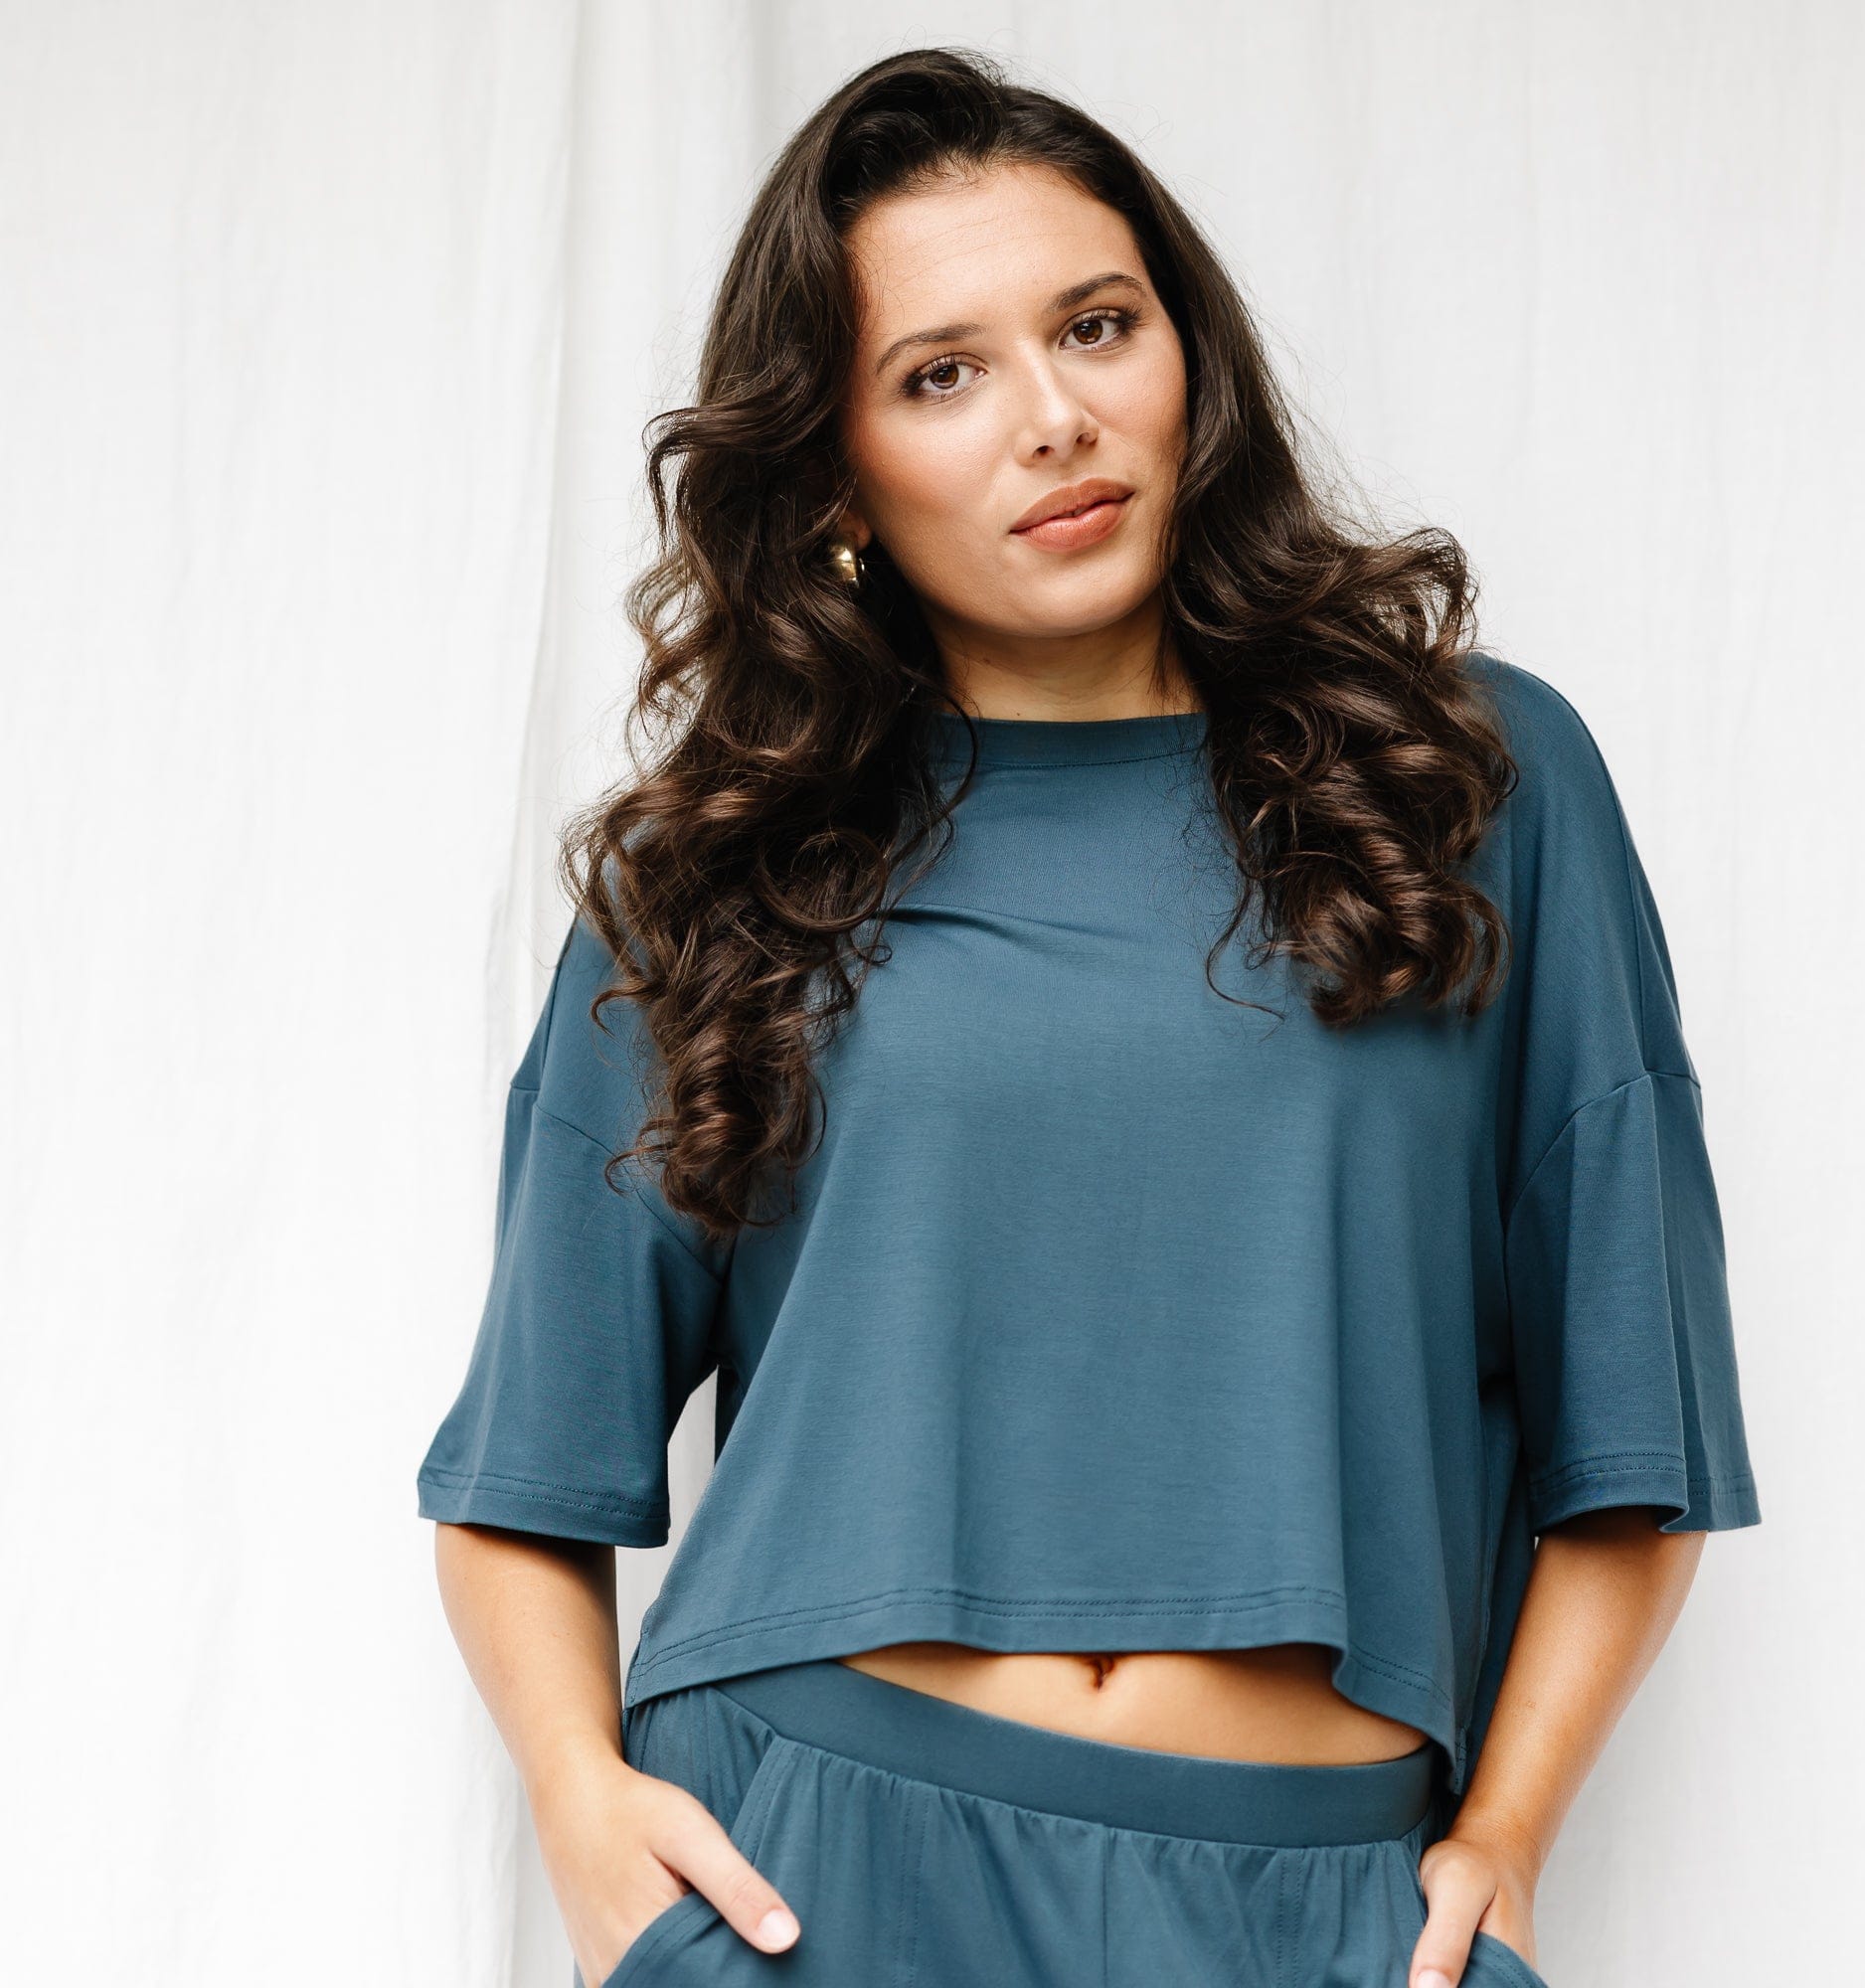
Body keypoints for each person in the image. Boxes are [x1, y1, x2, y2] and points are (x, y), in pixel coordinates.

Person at [416, 47, 1761, 1988]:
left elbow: (1629, 1426)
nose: (1052, 417)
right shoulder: (723, 862)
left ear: (1186, 356)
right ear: (838, 475)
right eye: (939, 373)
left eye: (1096, 325)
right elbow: (528, 1471)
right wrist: (578, 1801)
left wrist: (1508, 1835)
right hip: (812, 1876)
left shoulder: (1471, 782)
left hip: (1313, 1900)